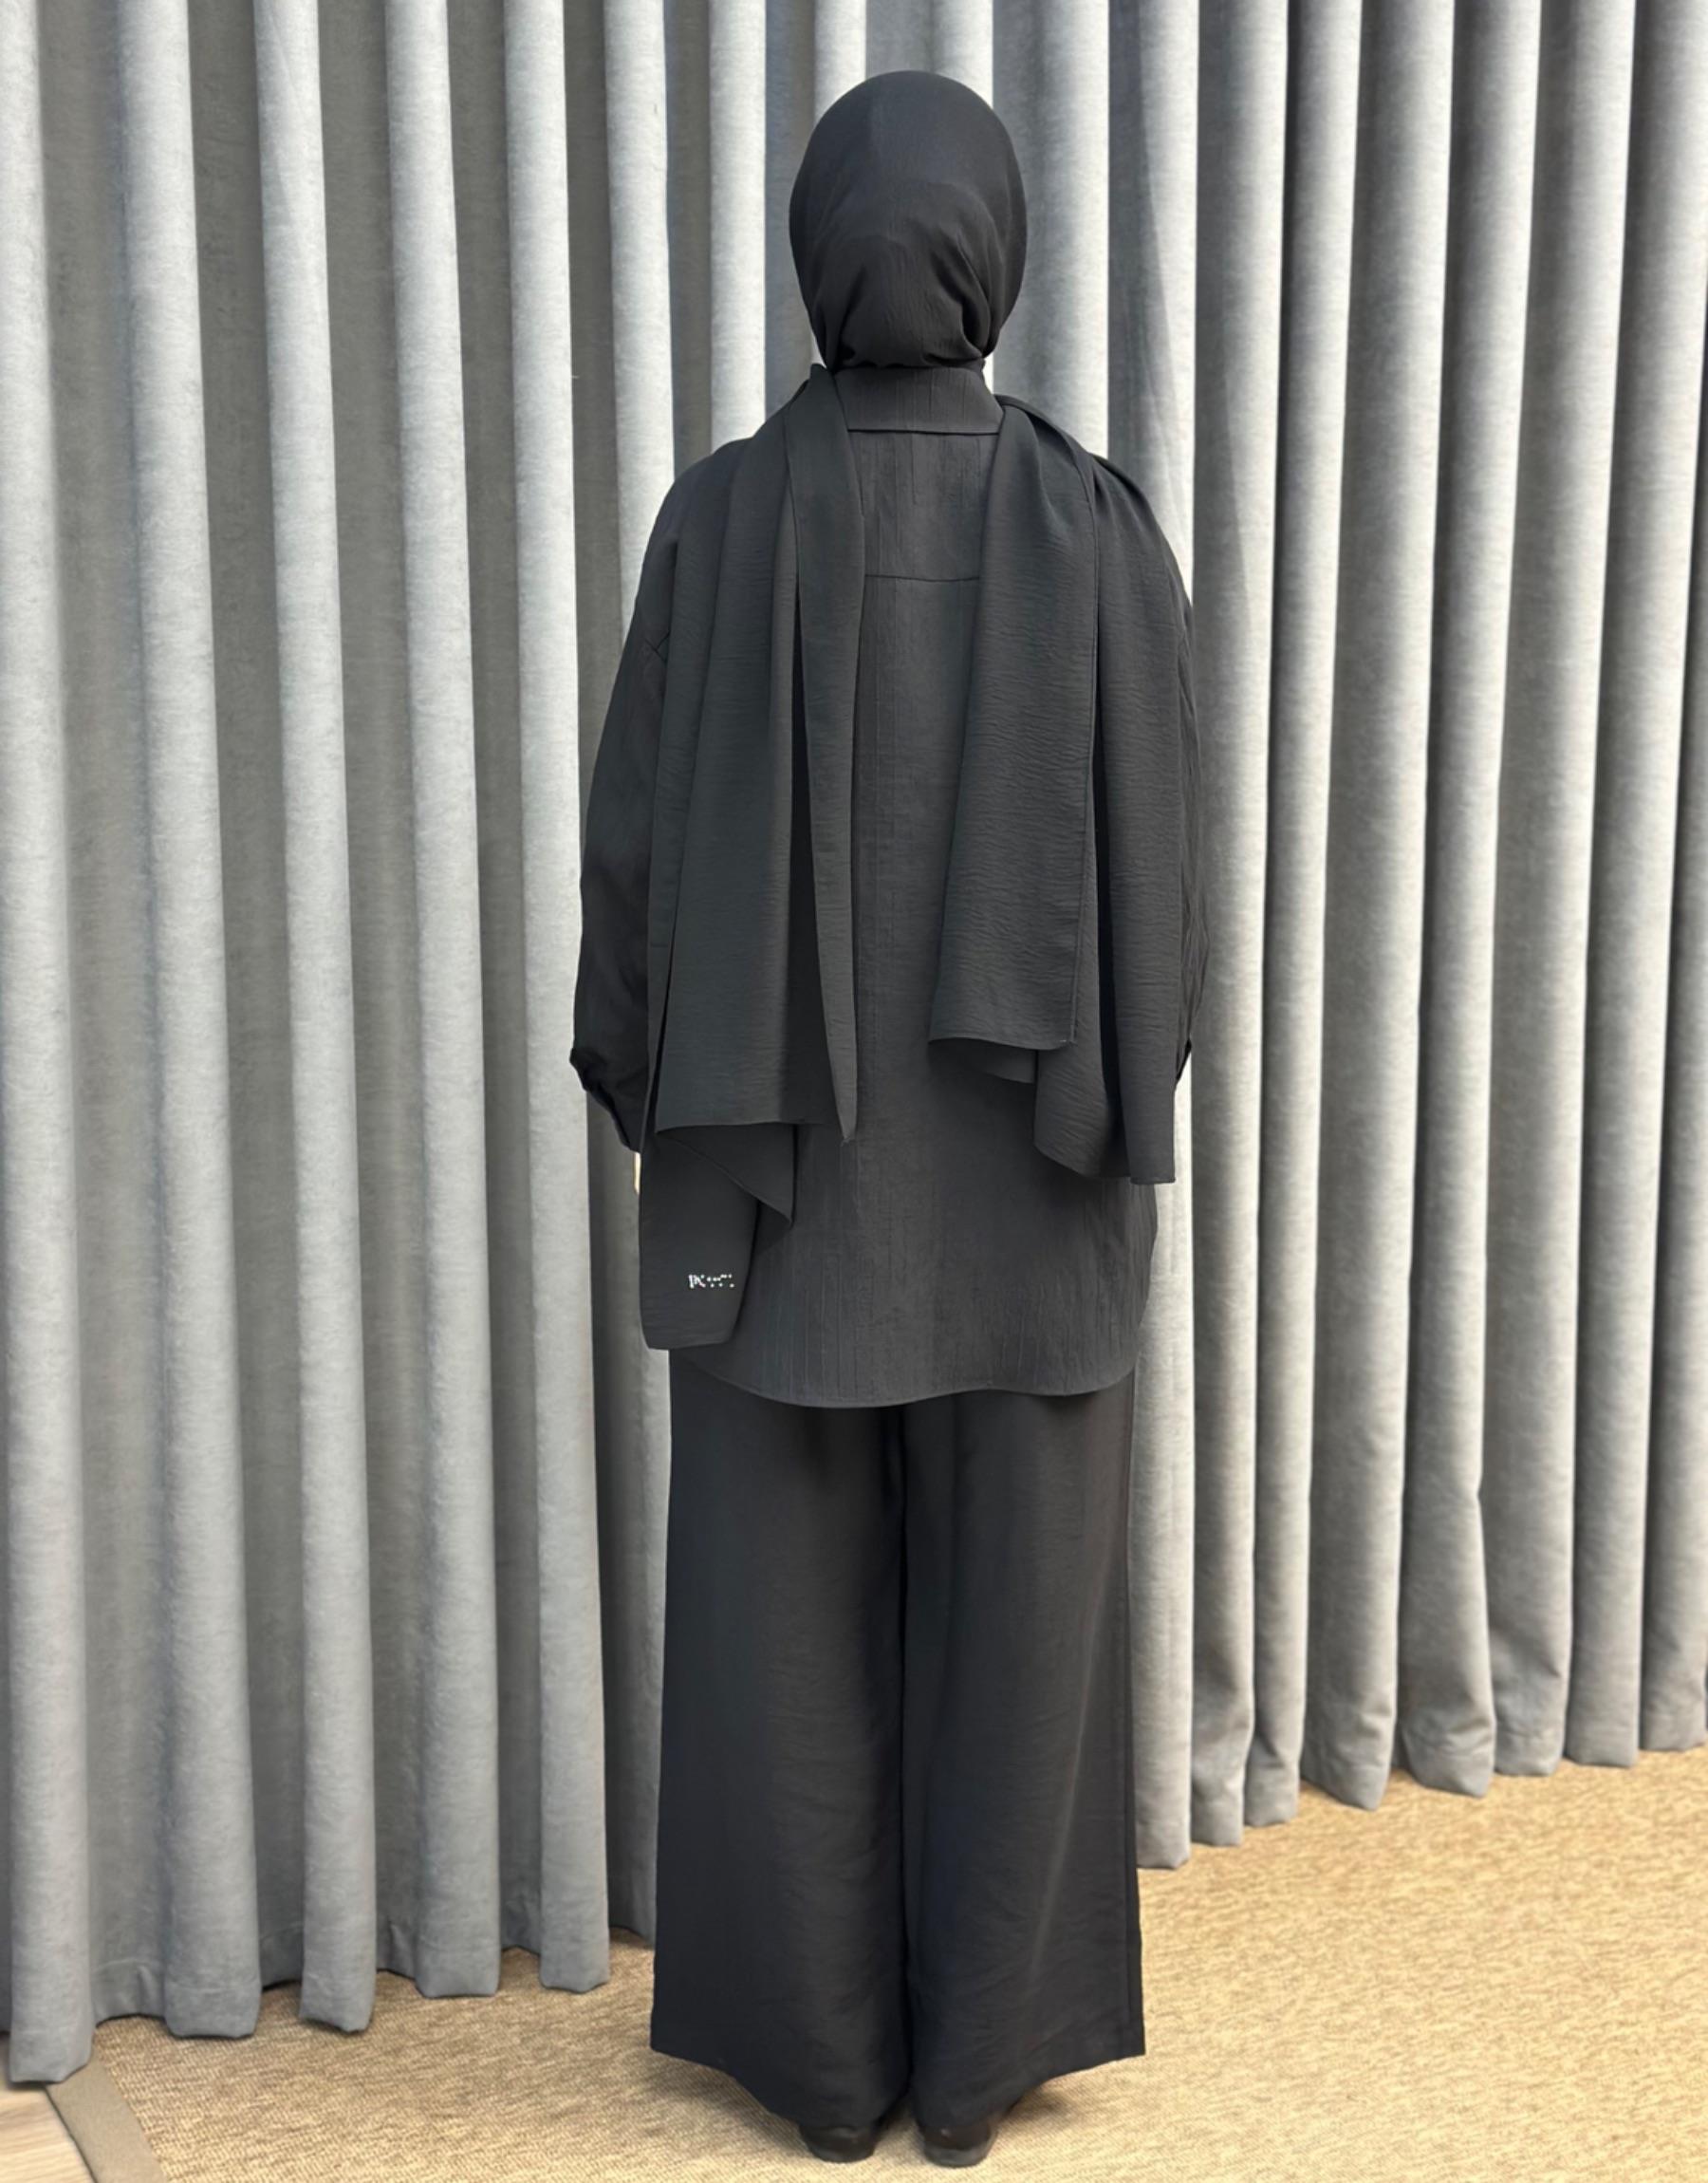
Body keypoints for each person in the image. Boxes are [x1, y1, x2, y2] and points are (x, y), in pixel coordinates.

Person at [572, 68, 1206, 2169]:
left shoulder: (718, 518)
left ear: (813, 253)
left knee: (780, 1649)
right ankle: (978, 2062)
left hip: (782, 1210)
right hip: (1039, 1200)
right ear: (996, 253)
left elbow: (631, 867)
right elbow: (1169, 893)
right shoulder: (1100, 525)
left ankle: (823, 2068)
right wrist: (1125, 1100)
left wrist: (656, 1098)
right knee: (1023, 1652)